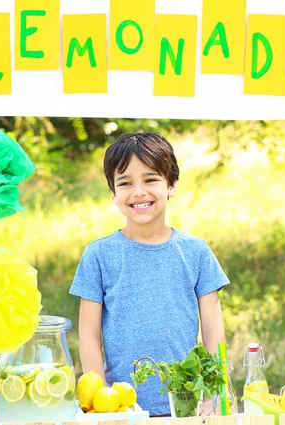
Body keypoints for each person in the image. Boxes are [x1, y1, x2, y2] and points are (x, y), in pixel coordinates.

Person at [69, 132, 230, 416]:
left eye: (150, 179)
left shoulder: (196, 253)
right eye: (125, 183)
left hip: (187, 408)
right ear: (113, 193)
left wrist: (213, 395)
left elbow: (213, 332)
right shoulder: (98, 256)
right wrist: (102, 403)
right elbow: (89, 335)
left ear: (172, 184)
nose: (139, 192)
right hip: (123, 409)